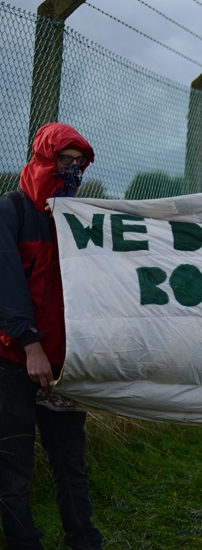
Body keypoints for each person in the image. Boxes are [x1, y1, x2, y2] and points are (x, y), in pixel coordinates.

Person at [0, 123, 104, 550]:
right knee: (13, 461)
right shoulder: (11, 211)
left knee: (70, 460)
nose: (73, 170)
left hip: (65, 364)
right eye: (65, 161)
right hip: (13, 361)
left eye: (80, 163)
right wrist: (29, 344)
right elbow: (7, 284)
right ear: (46, 159)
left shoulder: (80, 218)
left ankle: (82, 539)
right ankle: (24, 542)